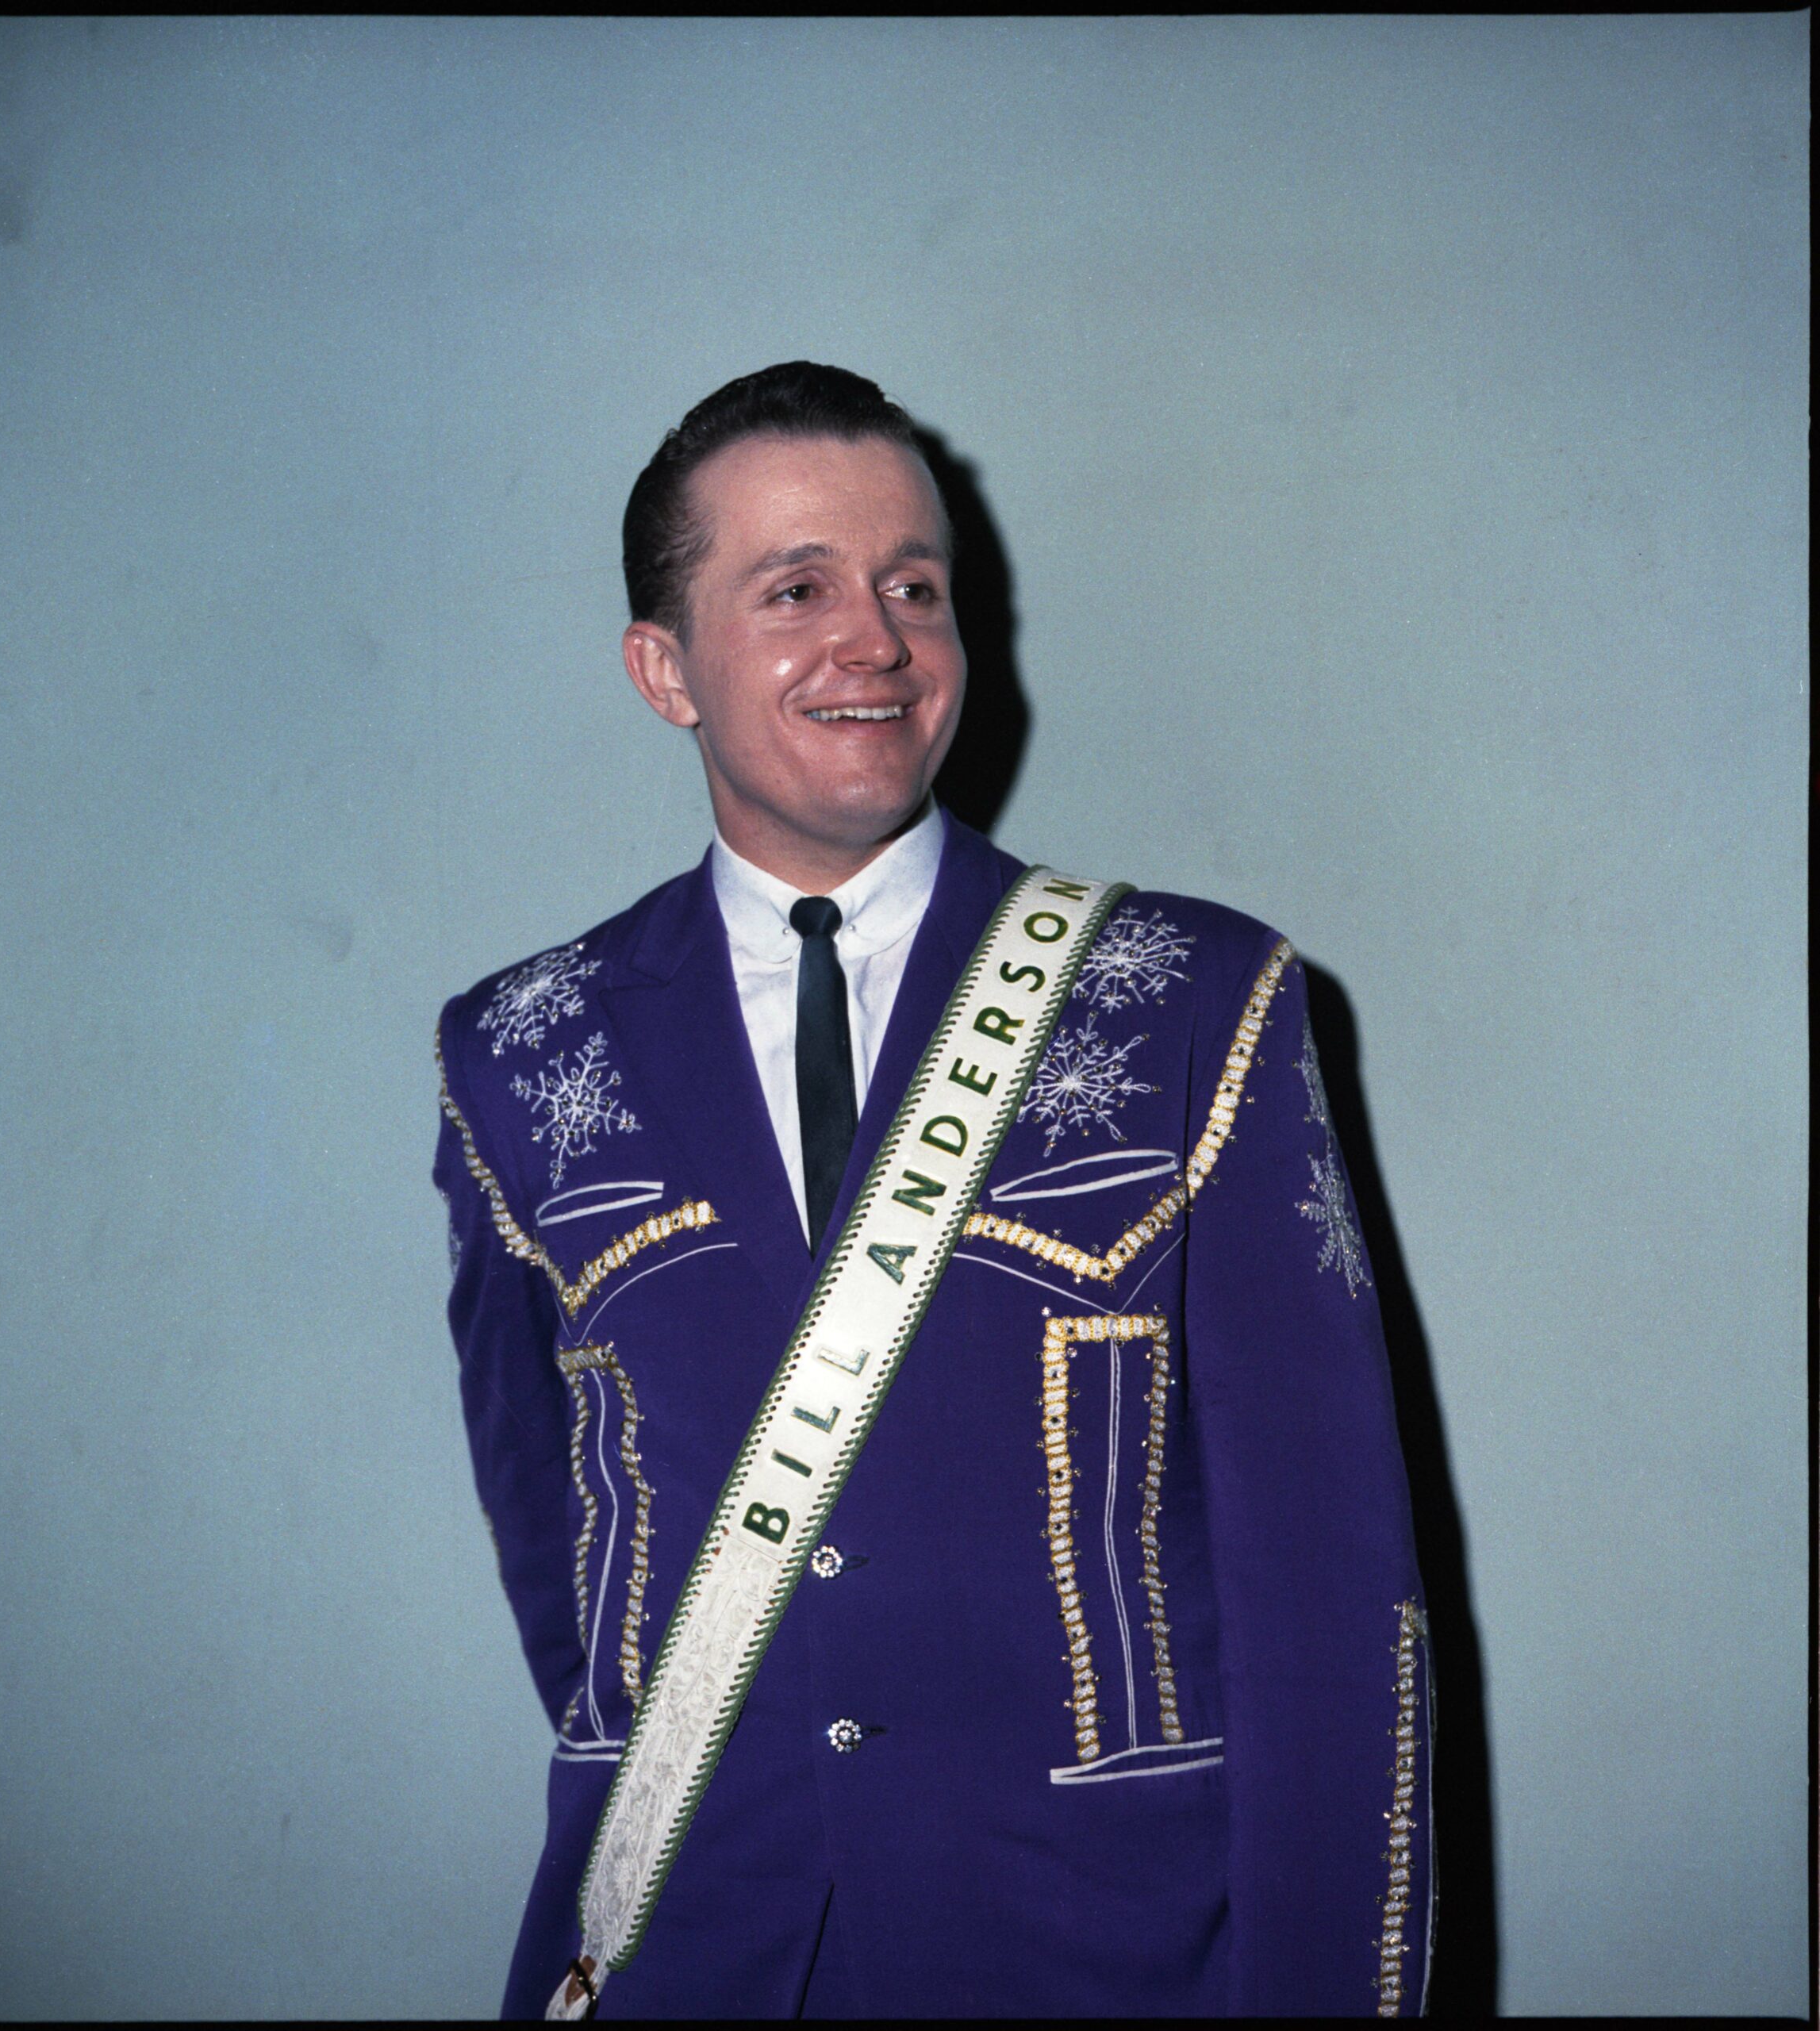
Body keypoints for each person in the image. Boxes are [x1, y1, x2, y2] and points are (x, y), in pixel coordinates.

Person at [432, 363, 1432, 2018]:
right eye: (796, 587)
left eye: (914, 584)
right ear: (661, 667)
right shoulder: (517, 1047)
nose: (875, 637)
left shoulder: (1192, 995)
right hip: (689, 1940)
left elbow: (1327, 1589)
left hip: (1105, 1952)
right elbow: (556, 1537)